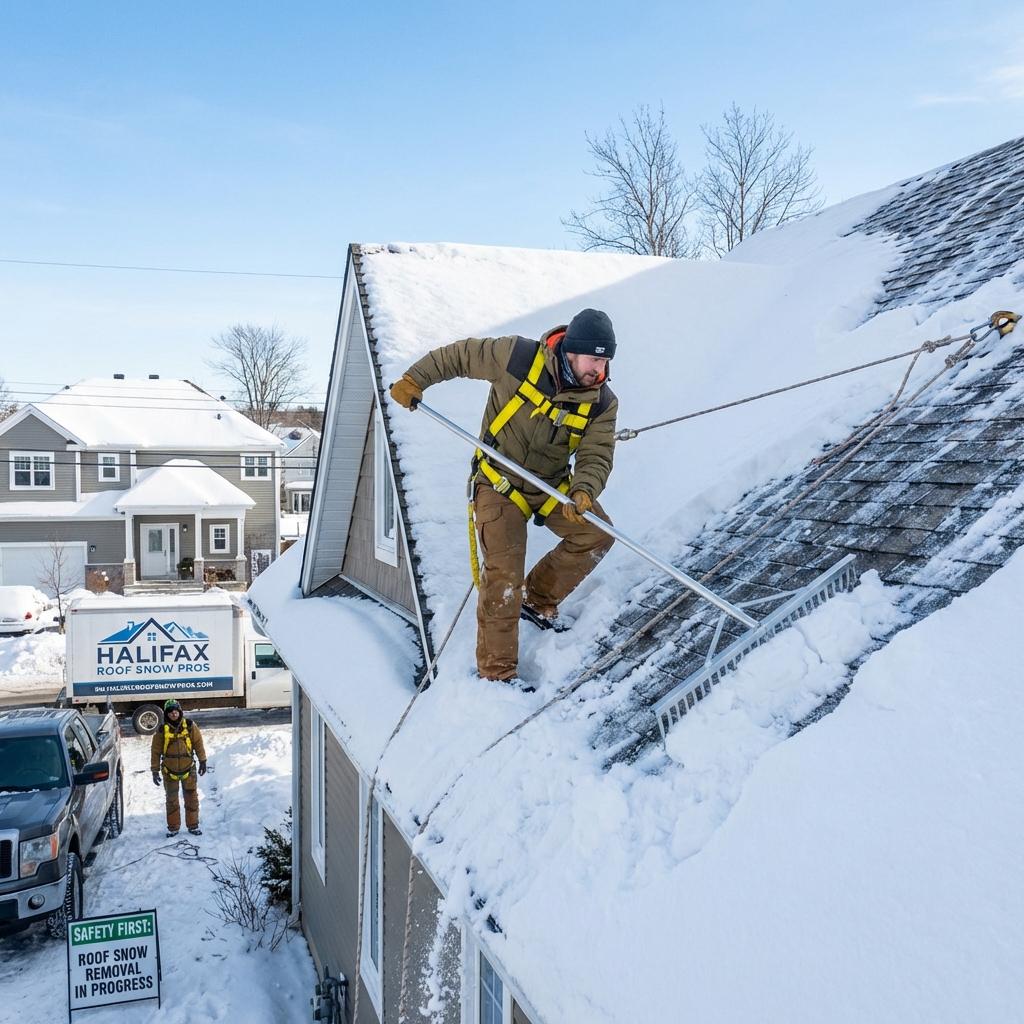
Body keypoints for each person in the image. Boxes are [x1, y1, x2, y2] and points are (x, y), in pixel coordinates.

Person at [390, 308, 619, 682]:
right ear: (572, 351)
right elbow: (460, 355)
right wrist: (416, 378)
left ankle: (538, 599)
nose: (600, 368)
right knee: (504, 572)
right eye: (594, 359)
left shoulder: (602, 402)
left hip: (552, 485)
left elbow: (597, 454)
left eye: (605, 360)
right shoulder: (517, 357)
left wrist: (584, 490)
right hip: (500, 481)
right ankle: (496, 674)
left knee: (595, 534)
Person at [151, 700, 207, 838]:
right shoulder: (161, 730)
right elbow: (156, 751)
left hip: (189, 768)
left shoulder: (190, 726)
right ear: (166, 714)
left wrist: (203, 761)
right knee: (172, 800)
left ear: (180, 711)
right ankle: (173, 827)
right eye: (170, 711)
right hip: (169, 771)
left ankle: (193, 826)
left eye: (175, 710)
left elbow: (198, 744)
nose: (173, 713)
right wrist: (155, 770)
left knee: (191, 798)